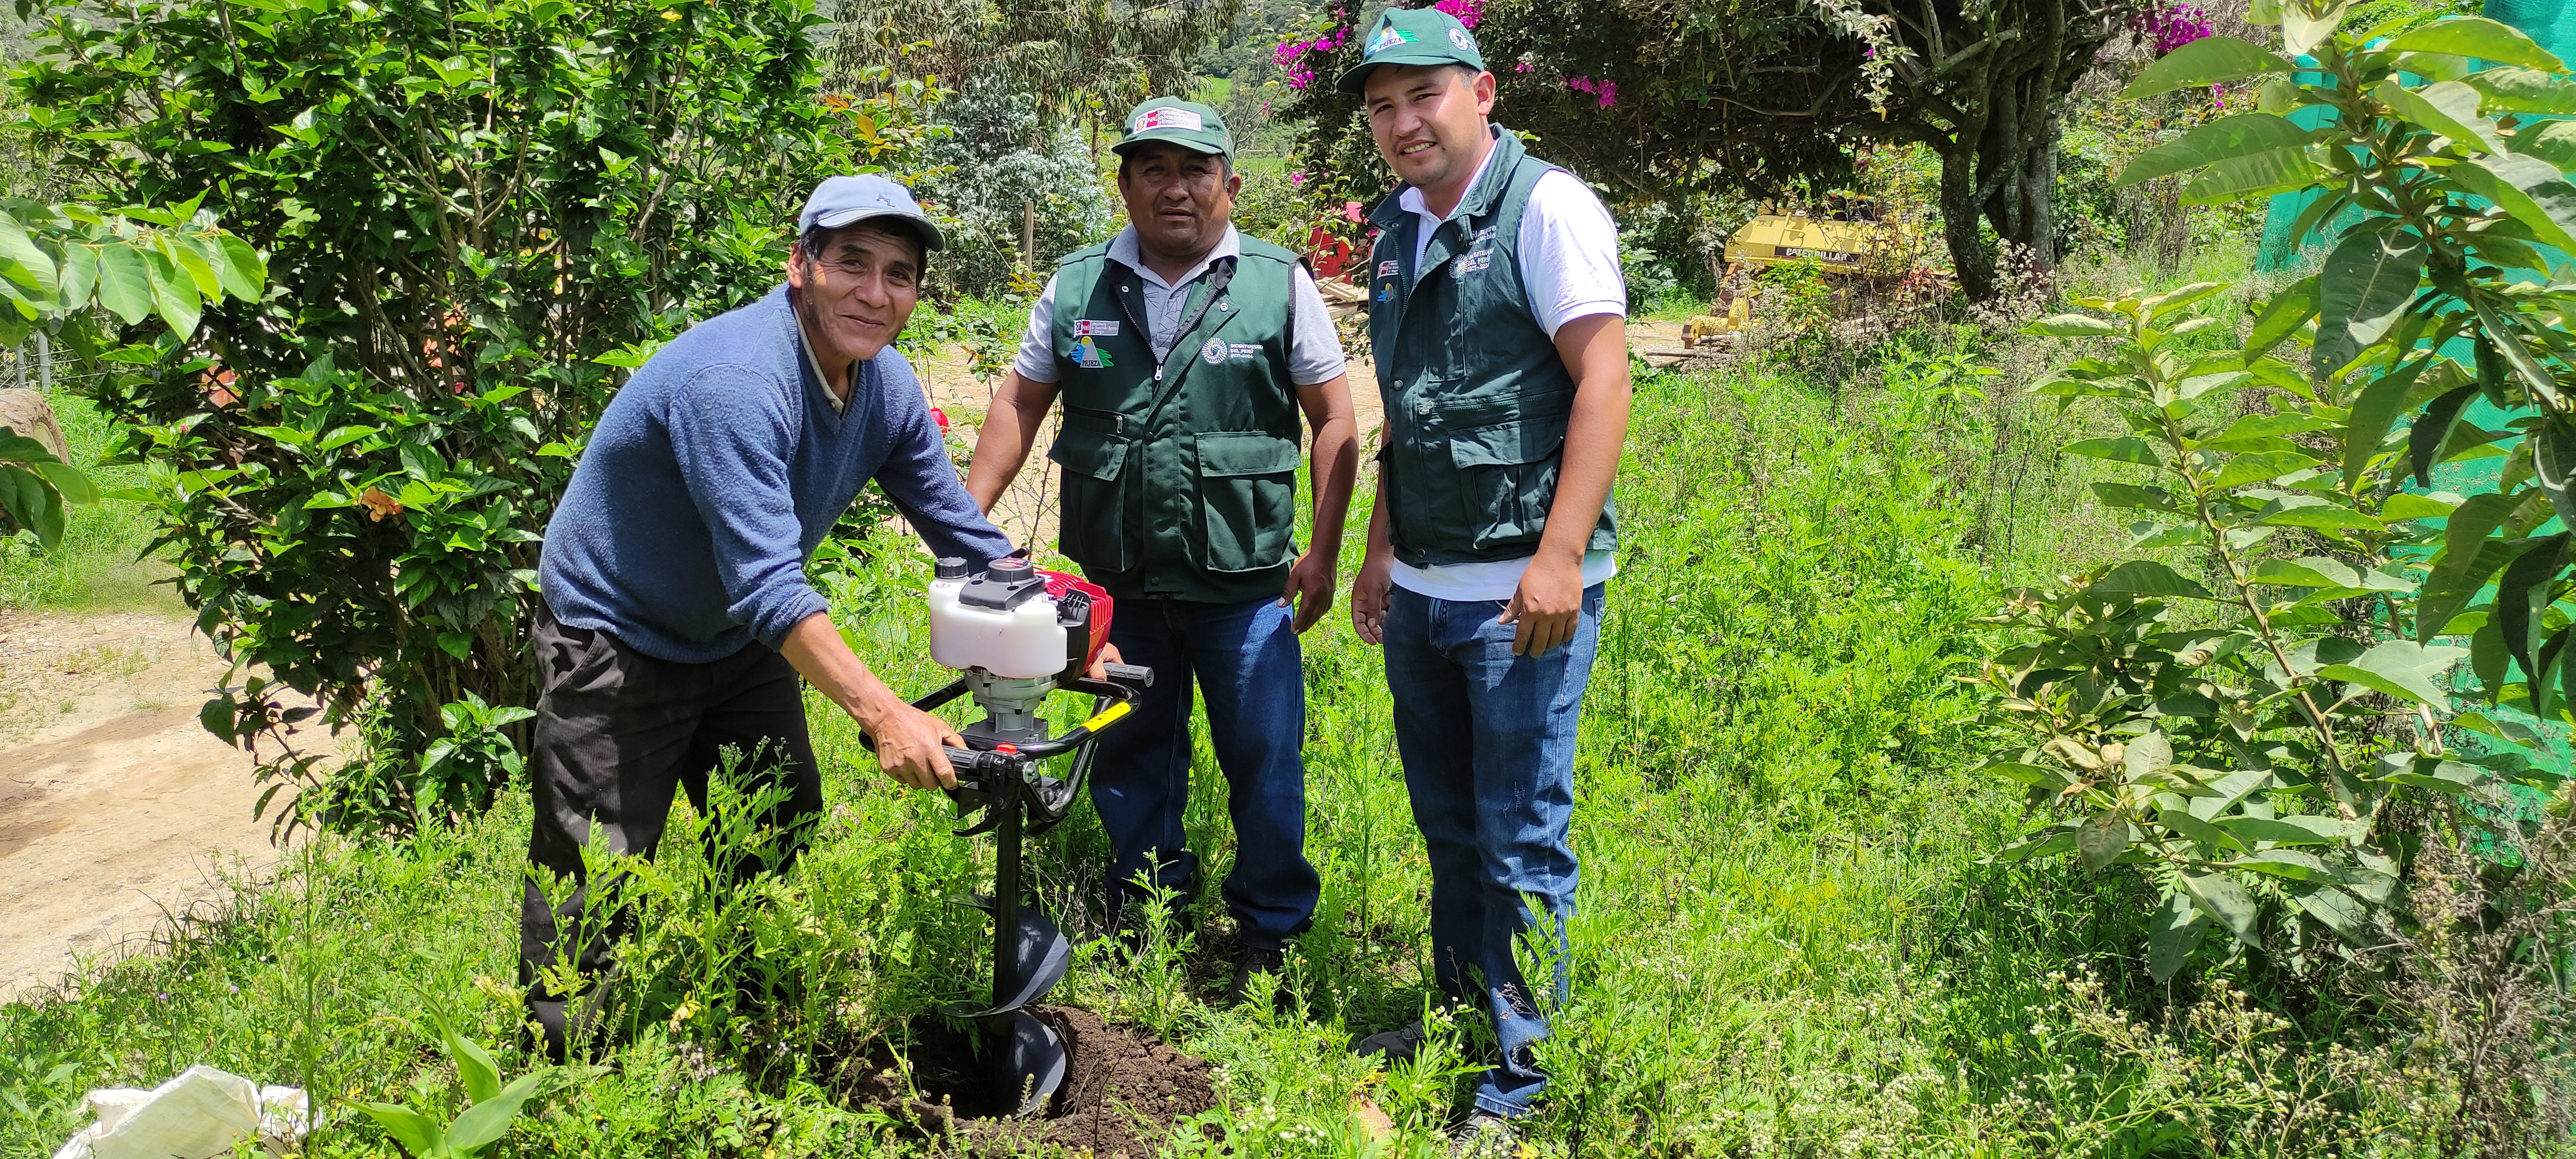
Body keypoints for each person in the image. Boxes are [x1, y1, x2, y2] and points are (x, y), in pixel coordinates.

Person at [521, 175, 1017, 1060]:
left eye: (898, 273)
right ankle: (565, 1085)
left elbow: (960, 528)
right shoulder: (739, 381)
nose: (875, 291)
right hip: (617, 633)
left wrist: (1070, 622)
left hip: (730, 633)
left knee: (775, 812)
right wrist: (886, 713)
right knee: (595, 876)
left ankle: (726, 1013)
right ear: (800, 266)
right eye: (851, 263)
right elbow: (769, 586)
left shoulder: (885, 385)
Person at [966, 98, 1360, 1005]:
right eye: (1153, 169)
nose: (1174, 189)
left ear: (1230, 182)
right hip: (1119, 586)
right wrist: (967, 523)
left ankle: (1272, 936)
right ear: (1126, 184)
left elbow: (1334, 418)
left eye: (1194, 170)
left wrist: (1326, 553)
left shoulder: (1277, 282)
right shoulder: (1076, 288)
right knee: (1134, 752)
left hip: (1245, 585)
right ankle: (1147, 912)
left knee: (1263, 757)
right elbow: (1019, 404)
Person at [1333, 7, 1632, 1145]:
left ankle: (1521, 1077)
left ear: (1481, 91)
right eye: (1381, 106)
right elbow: (1409, 408)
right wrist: (1375, 547)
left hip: (1522, 598)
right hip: (1425, 590)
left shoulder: (1546, 208)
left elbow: (1601, 378)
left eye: (1423, 96)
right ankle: (1458, 1015)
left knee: (1518, 838)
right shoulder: (1398, 229)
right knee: (1450, 829)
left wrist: (1559, 558)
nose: (1403, 122)